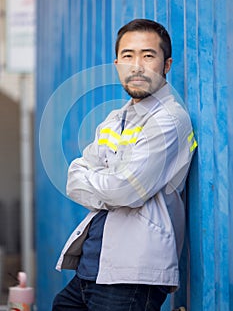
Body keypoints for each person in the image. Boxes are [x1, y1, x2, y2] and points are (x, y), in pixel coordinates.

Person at [52, 18, 197, 311]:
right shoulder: (114, 119)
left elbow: (125, 191)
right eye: (128, 56)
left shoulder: (168, 120)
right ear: (117, 63)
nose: (137, 66)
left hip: (132, 275)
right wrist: (106, 185)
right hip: (92, 268)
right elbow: (73, 178)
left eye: (148, 55)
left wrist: (101, 182)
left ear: (166, 65)